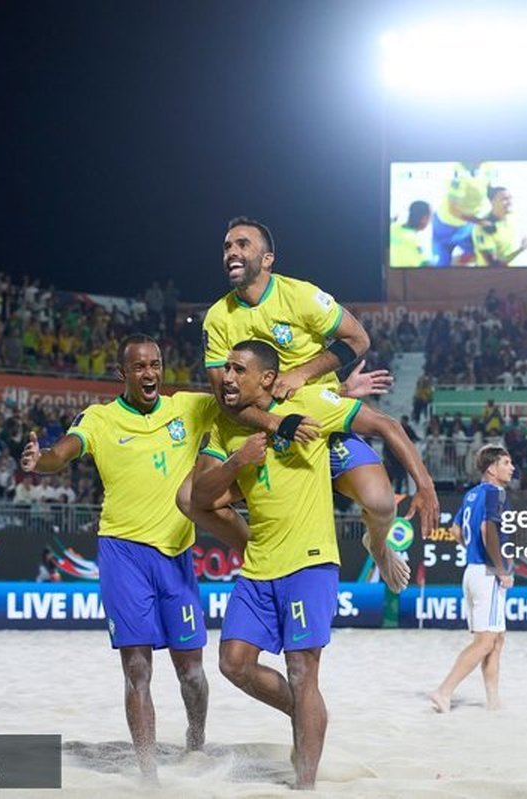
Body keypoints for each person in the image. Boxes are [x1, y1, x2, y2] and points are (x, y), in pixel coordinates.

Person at [186, 339, 438, 789]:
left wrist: (425, 485)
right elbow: (199, 498)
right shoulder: (226, 428)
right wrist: (238, 461)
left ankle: (305, 786)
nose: (226, 376)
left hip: (310, 565)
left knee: (303, 673)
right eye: (226, 368)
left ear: (267, 378)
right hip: (259, 567)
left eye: (238, 369)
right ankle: (305, 714)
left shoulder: (311, 405)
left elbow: (386, 424)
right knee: (233, 664)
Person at [20, 333, 219, 782]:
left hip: (176, 554)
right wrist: (40, 460)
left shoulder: (187, 407)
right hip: (123, 554)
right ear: (122, 373)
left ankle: (196, 742)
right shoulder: (100, 418)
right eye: (140, 366)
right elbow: (61, 454)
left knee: (192, 671)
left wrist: (331, 392)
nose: (150, 373)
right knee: (137, 668)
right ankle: (148, 774)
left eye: (156, 364)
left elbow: (240, 400)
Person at [199, 217, 422, 579]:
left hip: (317, 419)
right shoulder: (217, 318)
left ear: (268, 259)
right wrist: (277, 423)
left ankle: (378, 545)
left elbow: (358, 339)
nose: (231, 252)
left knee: (381, 503)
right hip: (257, 426)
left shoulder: (300, 295)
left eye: (242, 244)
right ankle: (257, 554)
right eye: (227, 246)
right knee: (191, 500)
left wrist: (304, 375)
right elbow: (226, 401)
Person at [430, 445, 515, 714]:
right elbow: (487, 529)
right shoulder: (496, 493)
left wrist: (473, 550)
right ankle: (444, 691)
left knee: (496, 640)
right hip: (488, 574)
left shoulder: (471, 494)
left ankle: (493, 701)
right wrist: (501, 570)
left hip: (473, 572)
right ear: (491, 468)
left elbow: (456, 530)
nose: (511, 467)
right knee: (485, 642)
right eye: (506, 462)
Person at [472, 186, 527, 267]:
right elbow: (494, 264)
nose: (509, 202)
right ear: (492, 202)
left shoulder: (511, 215)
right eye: (505, 199)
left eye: (510, 198)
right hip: (492, 274)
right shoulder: (483, 227)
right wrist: (520, 250)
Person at [389, 200, 433, 267]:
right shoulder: (416, 241)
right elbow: (427, 265)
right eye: (430, 217)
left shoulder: (392, 227)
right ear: (424, 219)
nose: (430, 221)